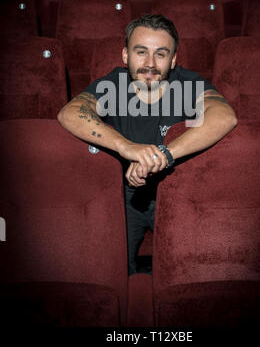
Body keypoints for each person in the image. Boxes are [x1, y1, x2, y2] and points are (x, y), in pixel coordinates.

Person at [57, 14, 238, 275]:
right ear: (125, 55)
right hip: (125, 195)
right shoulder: (114, 84)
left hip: (177, 192)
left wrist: (163, 154)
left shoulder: (187, 83)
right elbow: (70, 113)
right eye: (141, 52)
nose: (150, 64)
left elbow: (225, 116)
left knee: (193, 271)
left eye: (161, 54)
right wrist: (126, 146)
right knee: (110, 271)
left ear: (173, 59)